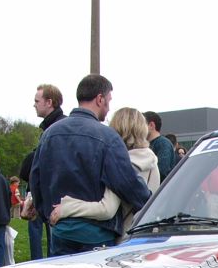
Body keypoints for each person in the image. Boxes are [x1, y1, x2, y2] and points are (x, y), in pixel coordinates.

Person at [30, 74, 151, 256]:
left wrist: (47, 214)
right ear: (100, 99)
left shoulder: (49, 134)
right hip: (97, 234)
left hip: (60, 230)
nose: (109, 107)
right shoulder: (108, 137)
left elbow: (36, 180)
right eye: (108, 100)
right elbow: (126, 183)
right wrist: (151, 202)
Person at [49, 106, 159, 241]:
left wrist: (66, 208)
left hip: (123, 240)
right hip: (144, 237)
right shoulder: (152, 160)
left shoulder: (122, 164)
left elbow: (107, 209)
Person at [19, 83, 65, 260]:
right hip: (50, 199)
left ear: (49, 102)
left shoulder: (58, 128)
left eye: (37, 101)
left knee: (58, 254)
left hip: (57, 201)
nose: (34, 104)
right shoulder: (50, 128)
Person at [144, 110, 176, 181]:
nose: (139, 128)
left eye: (142, 125)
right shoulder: (150, 144)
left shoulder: (163, 143)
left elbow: (161, 171)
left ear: (151, 125)